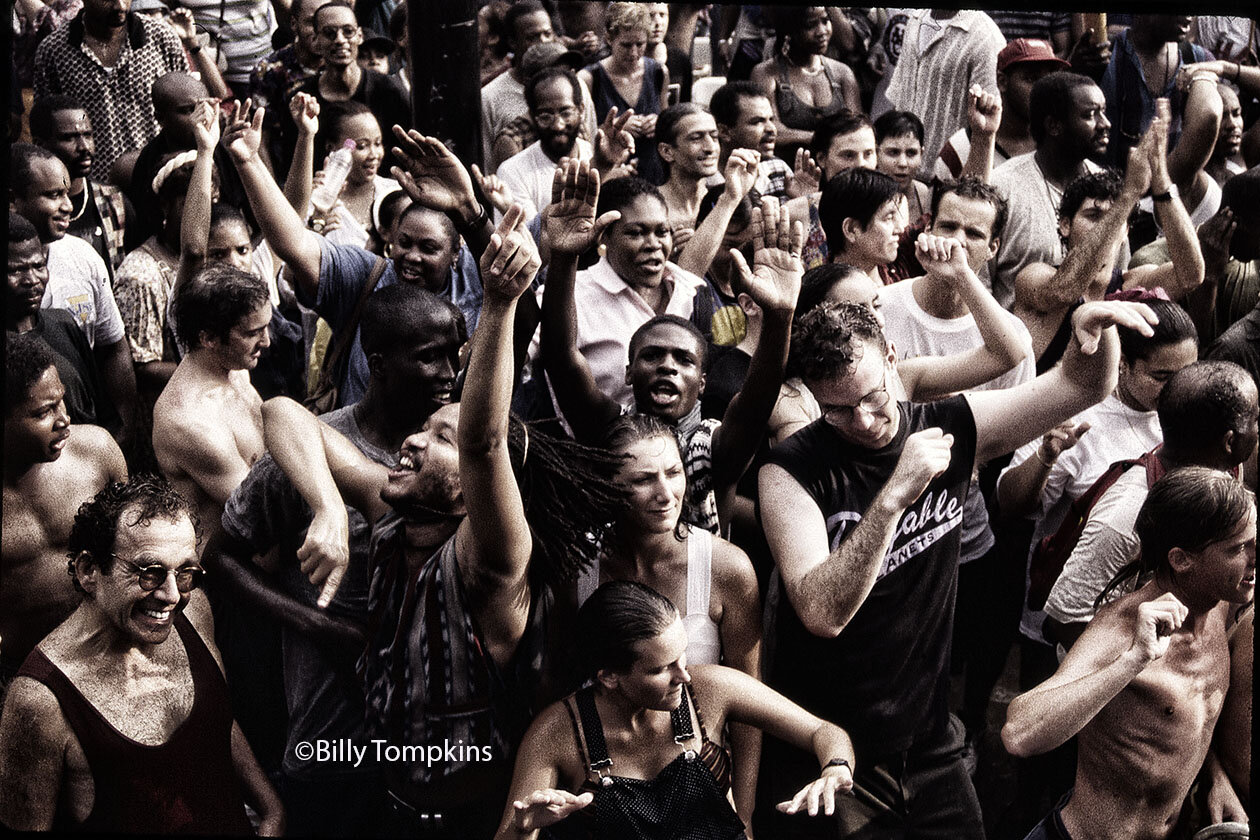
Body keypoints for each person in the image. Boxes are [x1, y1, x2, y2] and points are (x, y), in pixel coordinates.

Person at [260, 206, 625, 837]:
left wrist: (502, 303)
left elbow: (484, 441)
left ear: (473, 490)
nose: (412, 441)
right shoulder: (392, 515)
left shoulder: (491, 562)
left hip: (473, 821)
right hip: (386, 797)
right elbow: (283, 412)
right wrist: (324, 505)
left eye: (438, 438)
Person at [755, 294, 1158, 838]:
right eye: (839, 411)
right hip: (831, 744)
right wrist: (895, 496)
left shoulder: (949, 424)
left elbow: (1079, 387)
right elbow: (823, 612)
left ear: (892, 357)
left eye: (873, 397)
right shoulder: (790, 471)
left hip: (928, 739)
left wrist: (1094, 331)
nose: (865, 421)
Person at [202, 283, 463, 836]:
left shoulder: (454, 461)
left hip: (424, 748)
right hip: (328, 735)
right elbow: (220, 560)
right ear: (378, 364)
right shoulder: (307, 457)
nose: (448, 372)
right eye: (429, 356)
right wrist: (319, 627)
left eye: (455, 354)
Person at [0, 475, 284, 834]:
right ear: (89, 570)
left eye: (185, 573)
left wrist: (271, 810)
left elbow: (215, 720)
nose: (171, 596)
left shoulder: (194, 616)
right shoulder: (40, 701)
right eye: (149, 573)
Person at [541, 161, 803, 533]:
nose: (667, 366)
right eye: (651, 356)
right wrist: (564, 256)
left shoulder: (716, 448)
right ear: (628, 373)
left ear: (703, 381)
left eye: (683, 359)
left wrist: (780, 316)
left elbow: (757, 400)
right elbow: (562, 359)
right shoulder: (608, 432)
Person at [495, 580, 857, 840]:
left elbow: (824, 732)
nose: (683, 675)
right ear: (608, 676)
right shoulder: (557, 734)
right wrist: (526, 828)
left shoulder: (710, 689)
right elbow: (513, 831)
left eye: (682, 656)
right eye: (660, 669)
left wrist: (835, 768)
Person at [1003, 467, 1253, 840]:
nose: (1255, 556)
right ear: (1182, 559)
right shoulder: (1120, 630)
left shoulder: (1221, 603)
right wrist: (1132, 661)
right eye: (1239, 548)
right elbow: (1018, 733)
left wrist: (1215, 776)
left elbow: (1185, 721)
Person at [226, 98, 492, 407]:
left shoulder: (474, 280)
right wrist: (249, 162)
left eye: (429, 248)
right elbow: (293, 242)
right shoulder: (365, 276)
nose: (412, 256)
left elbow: (518, 270)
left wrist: (467, 206)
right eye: (404, 243)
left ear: (456, 253)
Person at [577, 415, 763, 824]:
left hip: (702, 793)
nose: (665, 493)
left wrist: (745, 817)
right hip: (607, 799)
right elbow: (559, 683)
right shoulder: (578, 568)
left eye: (674, 472)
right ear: (610, 485)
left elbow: (750, 713)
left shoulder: (726, 567)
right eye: (644, 480)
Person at [1042, 360, 1259, 648]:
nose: (1258, 428)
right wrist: (1146, 669)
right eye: (1255, 420)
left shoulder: (1225, 470)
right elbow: (1064, 621)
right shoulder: (1126, 513)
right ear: (1229, 441)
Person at [1013, 106, 1203, 370]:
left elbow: (1191, 275)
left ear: (1125, 232)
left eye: (1114, 220)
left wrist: (1160, 178)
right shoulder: (1035, 277)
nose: (1104, 228)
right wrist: (1129, 195)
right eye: (1093, 216)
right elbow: (1066, 291)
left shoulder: (1133, 283)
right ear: (1065, 225)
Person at [0, 332, 127, 682]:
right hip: (24, 670)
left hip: (110, 651)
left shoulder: (96, 453)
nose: (64, 419)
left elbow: (135, 546)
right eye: (43, 412)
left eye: (61, 402)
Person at [10, 143, 137, 450]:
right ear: (13, 201)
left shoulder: (80, 263)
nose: (67, 206)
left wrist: (120, 434)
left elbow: (112, 348)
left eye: (39, 266)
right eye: (53, 195)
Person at [152, 263, 271, 553]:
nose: (267, 341)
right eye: (253, 333)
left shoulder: (236, 370)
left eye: (266, 327)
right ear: (208, 338)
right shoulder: (188, 421)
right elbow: (261, 515)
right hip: (228, 570)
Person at [989, 71, 1116, 310]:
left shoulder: (1106, 186)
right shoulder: (1002, 186)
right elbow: (980, 280)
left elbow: (1117, 275)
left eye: (1103, 112)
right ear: (1054, 125)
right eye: (1090, 114)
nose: (1105, 124)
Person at [32, 0, 189, 182]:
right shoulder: (54, 51)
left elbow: (187, 106)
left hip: (155, 181)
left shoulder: (161, 38)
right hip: (93, 185)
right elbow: (45, 127)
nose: (120, 6)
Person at [6, 215, 115, 432]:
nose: (31, 280)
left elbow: (100, 411)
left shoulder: (63, 323)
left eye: (38, 266)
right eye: (15, 270)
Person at [282, 0, 410, 178]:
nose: (340, 40)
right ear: (316, 41)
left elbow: (406, 158)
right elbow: (294, 169)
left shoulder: (389, 91)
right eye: (329, 33)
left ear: (359, 36)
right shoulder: (303, 101)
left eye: (348, 32)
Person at [885, 9, 1005, 180]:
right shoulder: (914, 20)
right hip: (902, 173)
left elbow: (989, 124)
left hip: (948, 180)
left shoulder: (985, 35)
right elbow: (898, 99)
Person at [29, 96, 134, 285]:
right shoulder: (30, 209)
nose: (84, 147)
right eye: (68, 138)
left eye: (88, 135)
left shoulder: (114, 202)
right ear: (40, 145)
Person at [934, 38, 1070, 182]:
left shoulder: (1059, 144)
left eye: (1049, 79)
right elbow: (938, 203)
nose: (1043, 89)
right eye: (1032, 78)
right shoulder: (961, 146)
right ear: (1002, 81)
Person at [750, 6, 860, 166]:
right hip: (786, 171)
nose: (822, 31)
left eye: (825, 21)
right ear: (790, 30)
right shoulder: (767, 74)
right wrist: (818, 138)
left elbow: (857, 127)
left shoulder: (841, 73)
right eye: (810, 25)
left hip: (837, 172)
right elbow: (769, 129)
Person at [1101, 14, 1211, 170]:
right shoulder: (1106, 55)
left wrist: (1230, 70)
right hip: (1113, 189)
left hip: (1172, 189)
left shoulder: (1197, 59)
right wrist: (1080, 68)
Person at [580, 2, 669, 185]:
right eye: (626, 45)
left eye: (640, 44)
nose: (634, 52)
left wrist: (658, 123)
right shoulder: (590, 79)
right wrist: (612, 129)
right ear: (609, 39)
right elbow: (581, 137)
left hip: (652, 174)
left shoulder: (659, 73)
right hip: (609, 176)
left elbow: (668, 123)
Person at [497, 66, 594, 221]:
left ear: (581, 110)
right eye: (546, 116)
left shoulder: (594, 155)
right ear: (532, 116)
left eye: (566, 113)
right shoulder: (513, 172)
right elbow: (527, 237)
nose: (558, 125)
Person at [250, 0, 330, 178]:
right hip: (288, 171)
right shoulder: (269, 71)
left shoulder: (343, 65)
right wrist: (272, 193)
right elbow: (262, 138)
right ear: (294, 24)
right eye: (312, 23)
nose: (320, 31)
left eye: (327, 24)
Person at [817, 167, 904, 284]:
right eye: (888, 218)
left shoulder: (903, 263)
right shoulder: (827, 296)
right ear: (851, 229)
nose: (900, 229)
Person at [655, 103, 720, 240]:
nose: (710, 148)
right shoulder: (648, 206)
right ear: (667, 151)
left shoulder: (721, 202)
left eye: (714, 137)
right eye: (696, 138)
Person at [874, 110, 932, 222]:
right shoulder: (863, 195)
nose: (902, 163)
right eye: (893, 152)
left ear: (921, 154)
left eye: (911, 153)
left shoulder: (923, 194)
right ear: (876, 153)